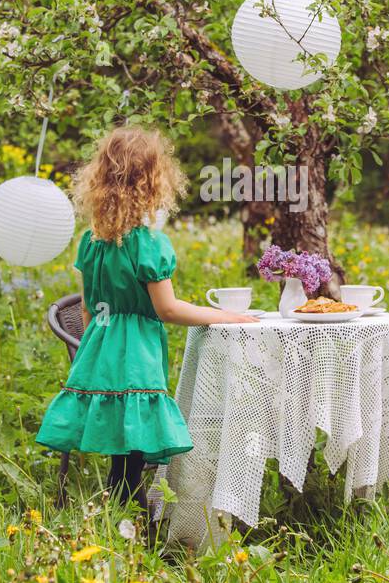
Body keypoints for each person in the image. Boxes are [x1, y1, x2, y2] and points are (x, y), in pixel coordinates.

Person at [36, 126, 258, 507]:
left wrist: (97, 346)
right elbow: (166, 308)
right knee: (136, 429)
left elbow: (89, 307)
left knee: (121, 425)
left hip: (100, 344)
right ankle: (128, 510)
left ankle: (119, 503)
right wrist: (225, 317)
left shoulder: (91, 241)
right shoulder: (149, 242)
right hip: (137, 349)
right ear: (153, 182)